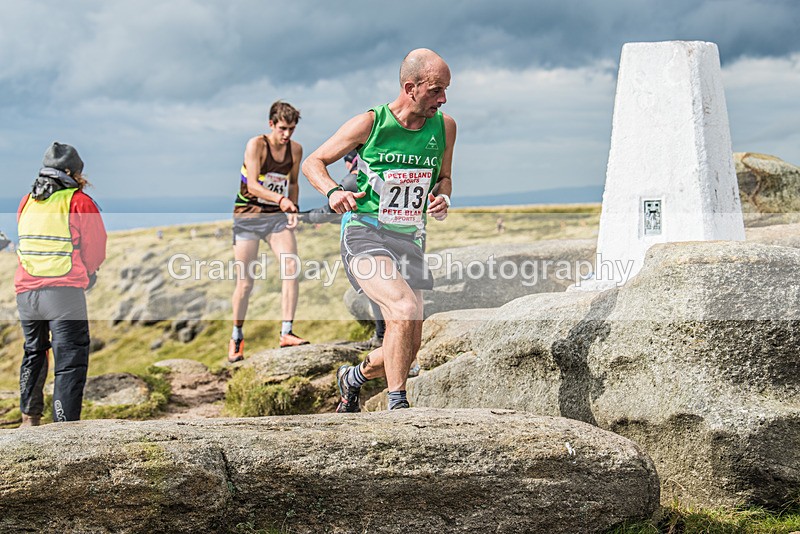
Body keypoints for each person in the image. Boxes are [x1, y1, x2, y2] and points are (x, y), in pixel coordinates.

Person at [303, 48, 456, 411]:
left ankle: (353, 377)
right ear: (410, 87)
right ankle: (398, 405)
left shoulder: (445, 127)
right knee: (402, 307)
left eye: (446, 91)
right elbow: (313, 162)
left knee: (409, 345)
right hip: (365, 231)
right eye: (436, 90)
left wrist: (443, 197)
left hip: (410, 238)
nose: (443, 99)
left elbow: (445, 178)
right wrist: (333, 191)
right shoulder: (370, 123)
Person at [15, 142, 107, 426]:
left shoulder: (27, 201)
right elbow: (96, 248)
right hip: (63, 293)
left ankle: (29, 418)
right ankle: (63, 426)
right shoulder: (79, 201)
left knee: (34, 351)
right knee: (69, 359)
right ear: (71, 172)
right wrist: (88, 274)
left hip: (26, 293)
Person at [229, 100, 309, 363]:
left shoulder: (295, 150)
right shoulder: (256, 145)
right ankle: (237, 336)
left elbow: (293, 183)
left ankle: (286, 332)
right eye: (283, 128)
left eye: (292, 129)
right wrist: (282, 200)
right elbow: (252, 185)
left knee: (291, 267)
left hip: (276, 217)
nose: (287, 134)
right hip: (248, 215)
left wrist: (292, 207)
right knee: (245, 283)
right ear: (271, 124)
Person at [300, 150, 387, 350]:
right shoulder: (379, 175)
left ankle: (382, 337)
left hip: (365, 240)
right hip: (391, 235)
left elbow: (328, 211)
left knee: (375, 290)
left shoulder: (353, 180)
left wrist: (302, 216)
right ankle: (384, 337)